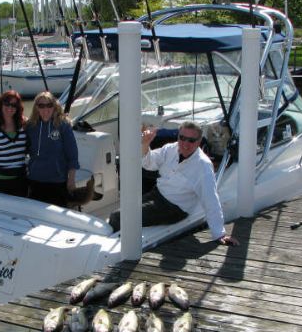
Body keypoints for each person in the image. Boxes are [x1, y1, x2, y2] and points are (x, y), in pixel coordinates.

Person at [109, 121, 239, 246]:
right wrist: (145, 143)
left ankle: (121, 248)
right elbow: (149, 163)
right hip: (157, 195)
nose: (185, 144)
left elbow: (211, 200)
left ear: (199, 142)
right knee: (121, 212)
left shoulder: (203, 166)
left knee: (118, 217)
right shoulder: (170, 149)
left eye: (191, 140)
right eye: (182, 138)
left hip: (175, 208)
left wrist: (219, 234)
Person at [25, 91, 80, 207]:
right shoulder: (30, 126)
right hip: (35, 181)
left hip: (57, 181)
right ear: (36, 108)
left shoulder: (63, 126)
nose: (46, 109)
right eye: (41, 106)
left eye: (49, 105)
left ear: (54, 106)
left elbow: (73, 155)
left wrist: (71, 180)